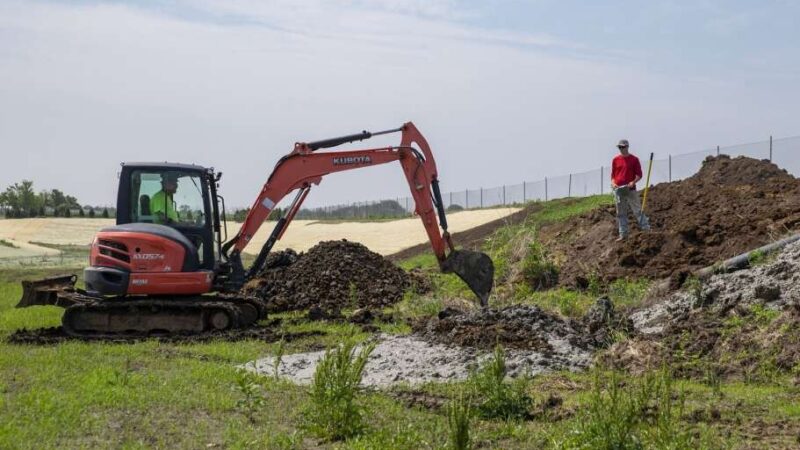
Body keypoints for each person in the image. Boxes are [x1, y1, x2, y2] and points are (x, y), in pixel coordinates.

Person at [611, 139, 650, 240]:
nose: (621, 149)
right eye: (620, 147)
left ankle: (646, 229)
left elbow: (639, 174)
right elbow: (613, 176)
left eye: (623, 147)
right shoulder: (615, 160)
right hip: (618, 190)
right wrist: (613, 183)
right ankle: (623, 234)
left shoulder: (634, 159)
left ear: (627, 147)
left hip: (630, 189)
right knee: (620, 213)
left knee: (637, 209)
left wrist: (633, 182)